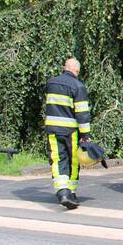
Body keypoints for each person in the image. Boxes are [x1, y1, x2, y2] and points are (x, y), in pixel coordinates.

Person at [44, 58, 92, 210]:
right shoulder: (78, 86)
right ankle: (69, 192)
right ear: (76, 71)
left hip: (52, 129)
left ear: (65, 68)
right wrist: (86, 134)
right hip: (70, 131)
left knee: (58, 159)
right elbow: (82, 113)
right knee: (73, 161)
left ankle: (62, 191)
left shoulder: (51, 83)